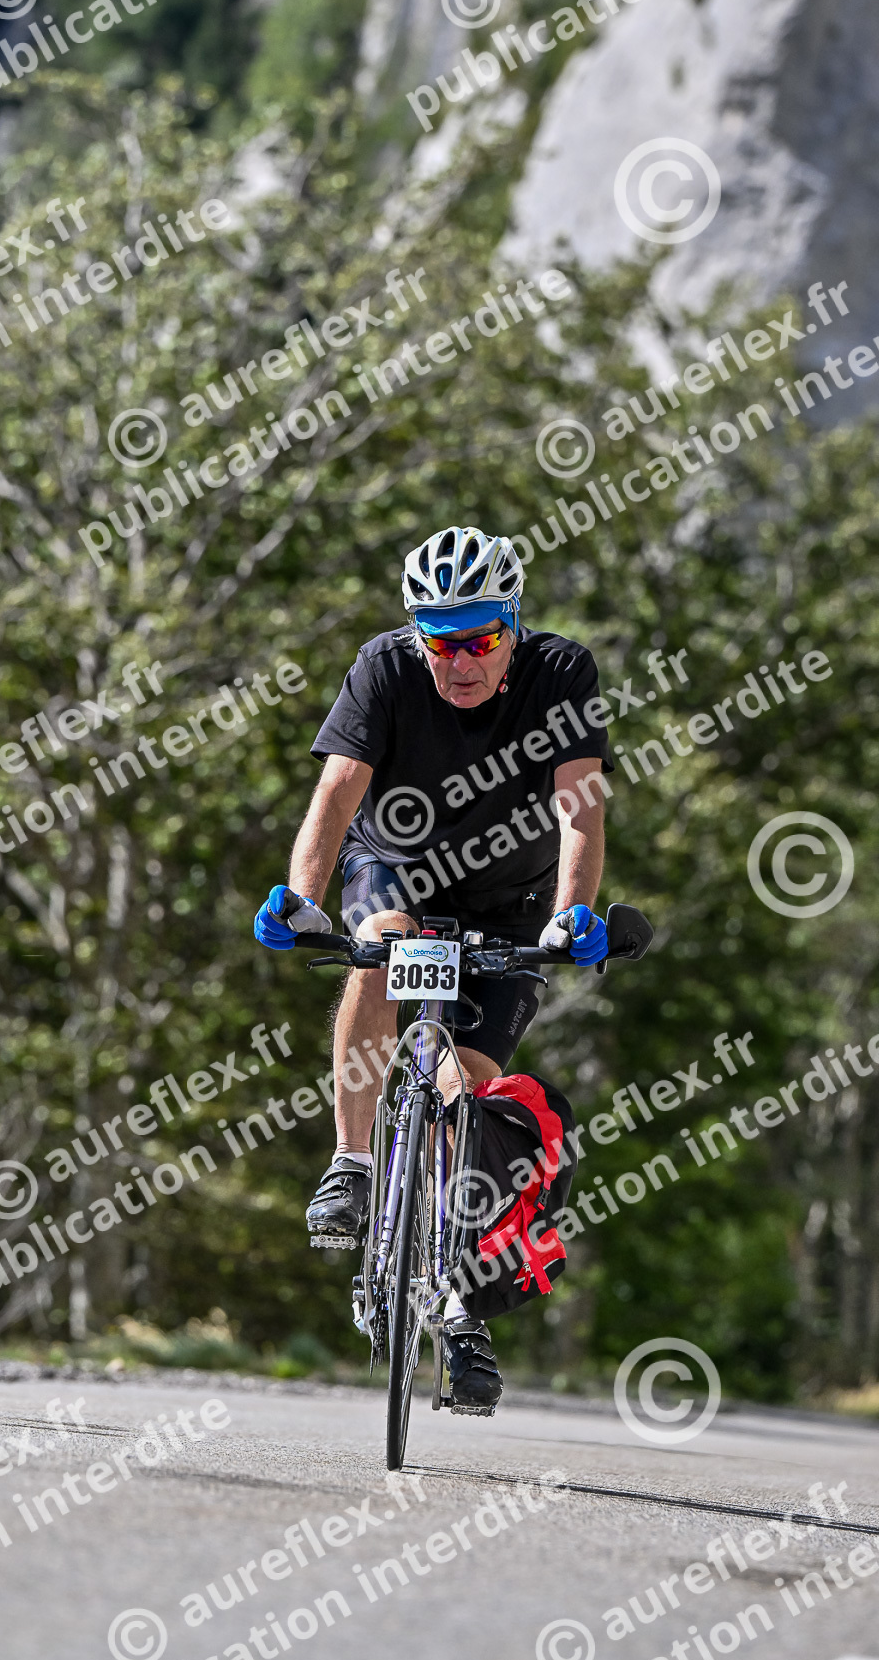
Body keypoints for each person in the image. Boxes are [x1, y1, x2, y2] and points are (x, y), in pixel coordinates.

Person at [253, 525, 613, 1409]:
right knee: (381, 950)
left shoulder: (562, 673)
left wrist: (573, 913)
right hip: (398, 867)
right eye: (439, 639)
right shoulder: (383, 667)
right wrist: (300, 897)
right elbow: (336, 793)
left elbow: (580, 808)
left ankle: (458, 1298)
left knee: (469, 1095)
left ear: (512, 624)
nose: (459, 662)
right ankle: (352, 1161)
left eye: (480, 639)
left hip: (512, 901)